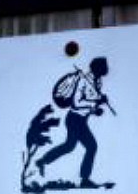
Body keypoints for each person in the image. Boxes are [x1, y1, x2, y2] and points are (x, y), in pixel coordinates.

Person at [36, 57, 111, 187]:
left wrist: (99, 102)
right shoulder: (83, 80)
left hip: (82, 120)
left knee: (78, 146)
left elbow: (92, 99)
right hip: (74, 119)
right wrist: (94, 106)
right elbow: (76, 103)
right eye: (101, 71)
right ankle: (83, 179)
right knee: (80, 146)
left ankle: (44, 162)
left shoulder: (98, 81)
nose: (102, 75)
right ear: (96, 69)